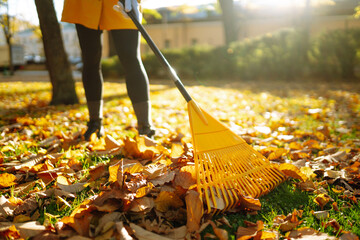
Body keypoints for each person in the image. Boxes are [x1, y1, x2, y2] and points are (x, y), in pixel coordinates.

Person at [61, 0, 155, 140]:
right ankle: (94, 123)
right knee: (90, 59)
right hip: (85, 3)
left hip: (121, 1)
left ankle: (145, 127)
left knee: (130, 57)